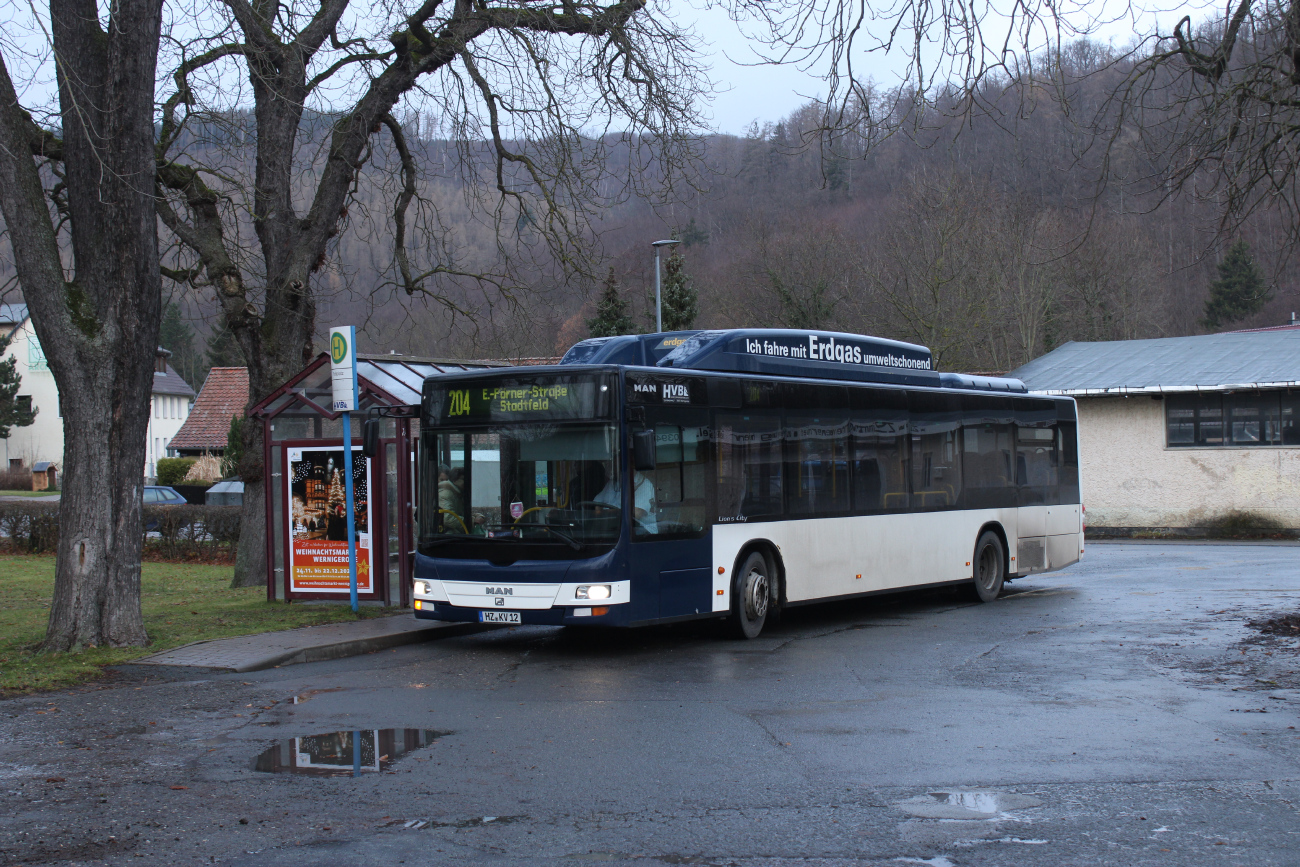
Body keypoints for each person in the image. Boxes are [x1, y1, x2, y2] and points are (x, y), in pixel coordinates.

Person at [593, 459, 657, 534]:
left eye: (614, 464)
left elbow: (636, 514)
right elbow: (597, 503)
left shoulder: (644, 484)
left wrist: (606, 513)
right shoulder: (613, 482)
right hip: (611, 526)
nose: (610, 467)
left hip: (640, 530)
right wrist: (602, 514)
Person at [438, 466, 467, 533]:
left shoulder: (457, 494)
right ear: (454, 480)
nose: (444, 483)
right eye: (441, 480)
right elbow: (448, 518)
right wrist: (470, 521)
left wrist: (475, 517)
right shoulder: (445, 493)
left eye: (446, 480)